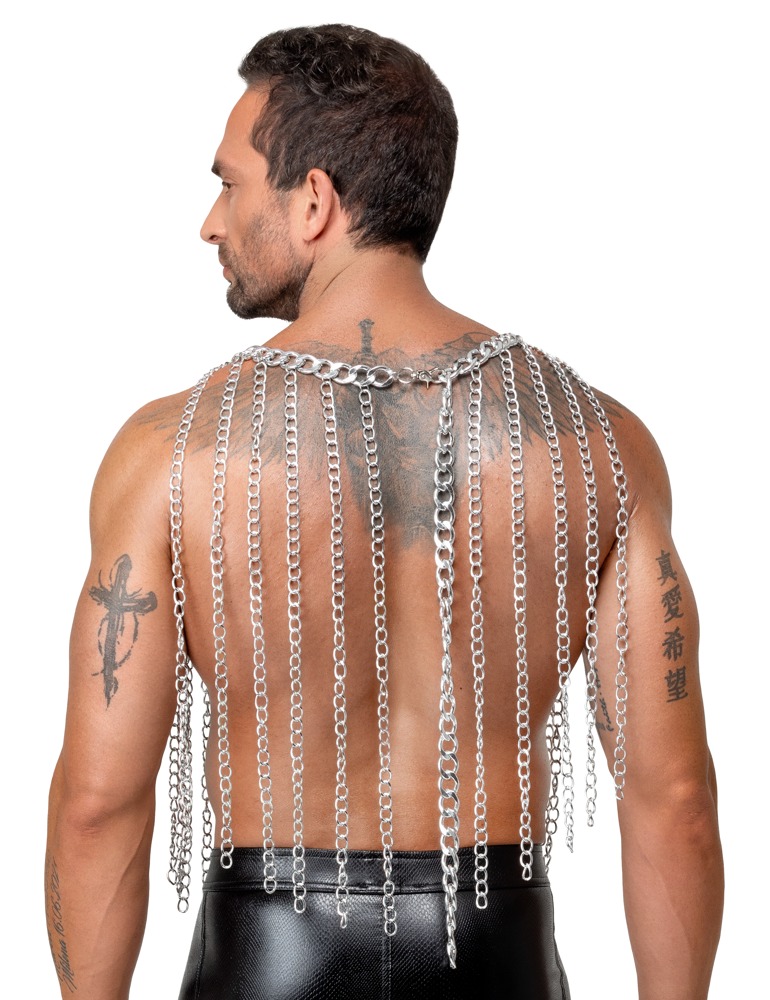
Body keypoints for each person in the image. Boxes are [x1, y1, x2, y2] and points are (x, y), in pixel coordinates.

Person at [45, 23, 723, 1000]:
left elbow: (97, 804)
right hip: (496, 959)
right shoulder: (595, 444)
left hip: (267, 963)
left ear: (314, 200)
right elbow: (675, 802)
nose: (210, 222)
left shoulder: (172, 451)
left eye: (230, 184)